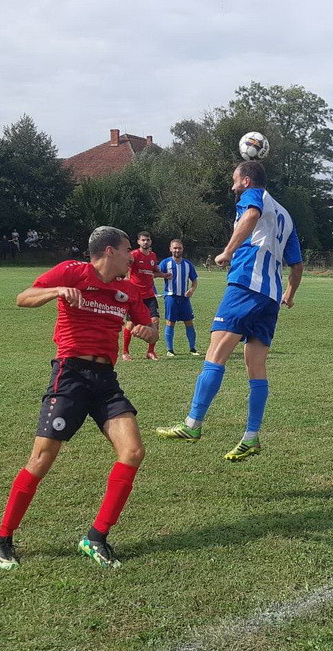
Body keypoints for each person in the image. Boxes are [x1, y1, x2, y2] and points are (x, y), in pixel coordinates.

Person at [0, 226, 157, 570]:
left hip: (105, 380)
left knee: (133, 451)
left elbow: (152, 331)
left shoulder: (128, 289)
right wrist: (56, 291)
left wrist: (145, 331)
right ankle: (1, 540)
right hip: (70, 375)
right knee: (41, 458)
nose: (131, 257)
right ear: (109, 251)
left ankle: (96, 537)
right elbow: (23, 297)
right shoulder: (72, 272)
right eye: (127, 250)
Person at [156, 160, 303, 461]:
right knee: (256, 367)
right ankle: (251, 437)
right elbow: (297, 264)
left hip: (246, 283)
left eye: (235, 178)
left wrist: (228, 251)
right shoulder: (286, 215)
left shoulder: (254, 196)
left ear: (247, 180)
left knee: (215, 353)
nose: (232, 184)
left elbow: (251, 214)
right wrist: (289, 293)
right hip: (271, 295)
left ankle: (192, 424)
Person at [121, 231, 170, 361]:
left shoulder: (153, 256)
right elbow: (125, 268)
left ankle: (150, 351)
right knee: (131, 324)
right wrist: (125, 282)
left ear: (150, 241)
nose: (145, 242)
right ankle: (125, 352)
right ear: (138, 242)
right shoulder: (134, 255)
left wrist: (164, 275)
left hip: (149, 295)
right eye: (143, 240)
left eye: (147, 240)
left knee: (155, 321)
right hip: (135, 296)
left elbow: (153, 273)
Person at [158, 238, 199, 357]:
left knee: (189, 322)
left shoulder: (188, 264)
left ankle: (192, 349)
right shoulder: (165, 263)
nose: (177, 250)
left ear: (182, 249)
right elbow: (156, 273)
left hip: (184, 298)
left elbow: (194, 280)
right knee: (170, 322)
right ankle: (170, 350)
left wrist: (192, 289)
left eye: (179, 248)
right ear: (170, 249)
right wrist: (164, 275)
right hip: (171, 297)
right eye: (175, 248)